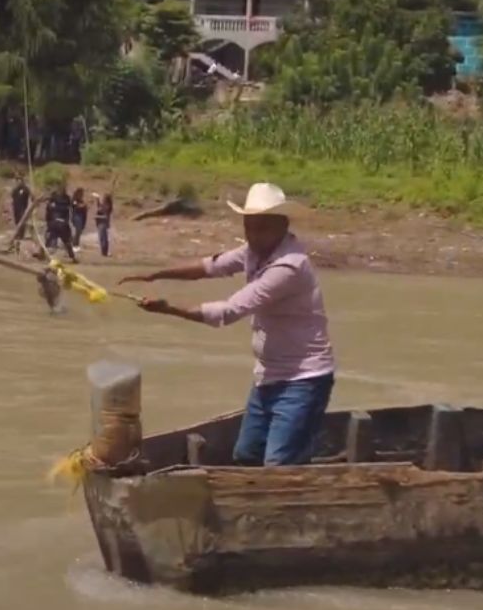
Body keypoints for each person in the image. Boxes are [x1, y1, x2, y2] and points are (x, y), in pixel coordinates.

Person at [119, 183, 335, 466]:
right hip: (268, 376)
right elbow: (209, 267)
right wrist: (155, 274)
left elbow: (229, 311)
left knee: (278, 465)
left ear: (281, 225)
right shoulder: (254, 252)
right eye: (249, 227)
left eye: (261, 228)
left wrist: (169, 309)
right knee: (246, 456)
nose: (253, 235)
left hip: (303, 380)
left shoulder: (288, 267)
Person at [44, 184, 77, 263]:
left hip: (59, 223)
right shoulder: (55, 200)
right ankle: (44, 255)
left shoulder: (65, 200)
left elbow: (70, 210)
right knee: (51, 239)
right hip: (57, 222)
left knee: (64, 240)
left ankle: (72, 257)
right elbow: (48, 212)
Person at [10, 176, 32, 241]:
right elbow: (12, 195)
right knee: (17, 220)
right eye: (18, 181)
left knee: (22, 219)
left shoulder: (25, 189)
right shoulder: (15, 190)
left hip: (23, 207)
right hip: (16, 206)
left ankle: (21, 235)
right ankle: (18, 234)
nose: (19, 182)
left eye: (20, 181)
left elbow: (30, 196)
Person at [94, 192, 113, 257]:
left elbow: (105, 216)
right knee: (101, 238)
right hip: (100, 223)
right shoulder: (104, 205)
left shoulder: (107, 206)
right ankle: (103, 252)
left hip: (103, 223)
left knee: (103, 238)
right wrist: (97, 199)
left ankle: (105, 252)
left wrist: (97, 217)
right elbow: (99, 206)